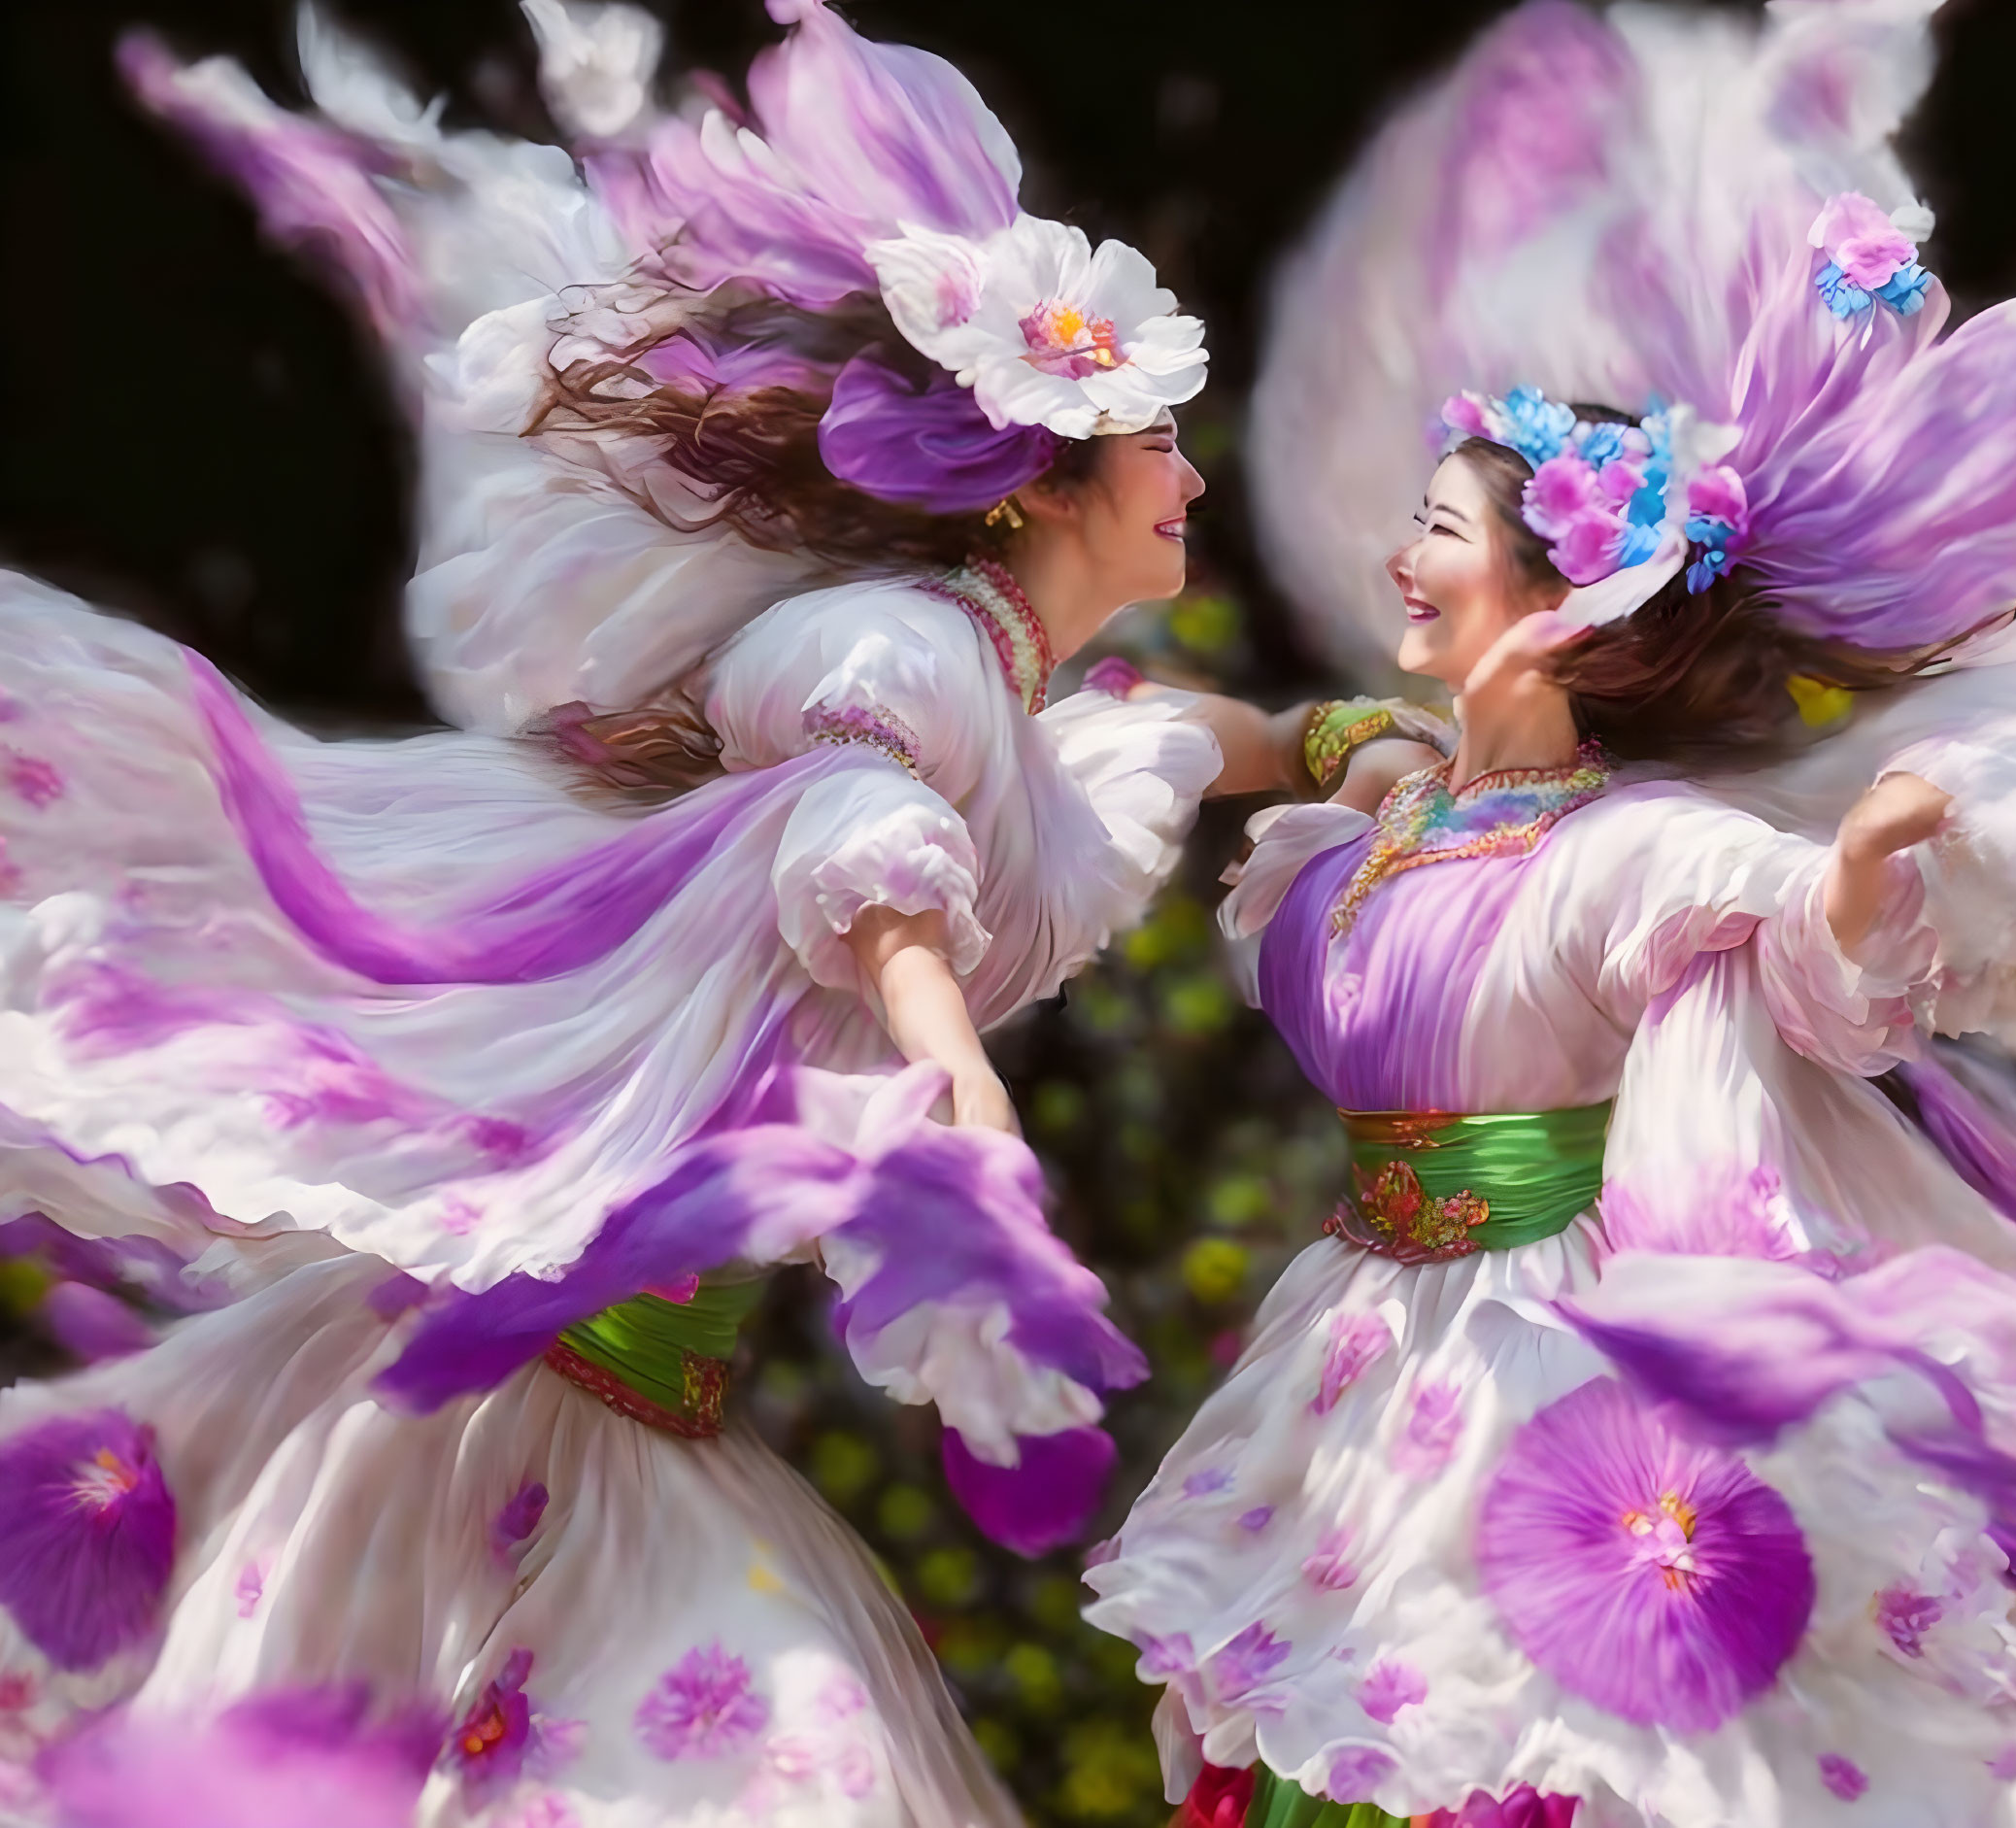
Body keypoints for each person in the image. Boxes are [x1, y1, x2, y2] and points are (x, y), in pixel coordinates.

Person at [1081, 3, 2016, 1822]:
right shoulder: (1390, 785)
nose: (1401, 557)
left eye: (1441, 532)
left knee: (1533, 1732)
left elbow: (1810, 945)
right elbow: (1266, 742)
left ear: (1560, 601)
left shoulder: (1633, 851)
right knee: (1355, 1711)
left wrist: (1871, 853)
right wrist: (1102, 729)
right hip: (1368, 1336)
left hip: (1554, 1343)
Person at [0, 4, 1289, 1823]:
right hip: (513, 1400)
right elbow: (854, 832)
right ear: (1048, 480)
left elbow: (1148, 745)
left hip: (625, 1401)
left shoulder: (1001, 705)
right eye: (1159, 443)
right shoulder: (894, 657)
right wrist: (952, 1078)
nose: (1192, 475)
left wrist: (1325, 741)